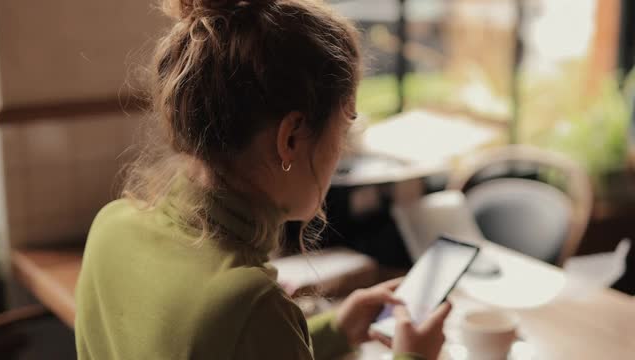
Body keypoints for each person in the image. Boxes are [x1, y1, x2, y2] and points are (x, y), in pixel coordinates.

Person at [75, 0, 452, 359]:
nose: (343, 151)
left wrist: (335, 329)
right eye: (346, 122)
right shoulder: (251, 306)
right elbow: (243, 336)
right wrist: (413, 355)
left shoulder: (110, 225)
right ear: (291, 137)